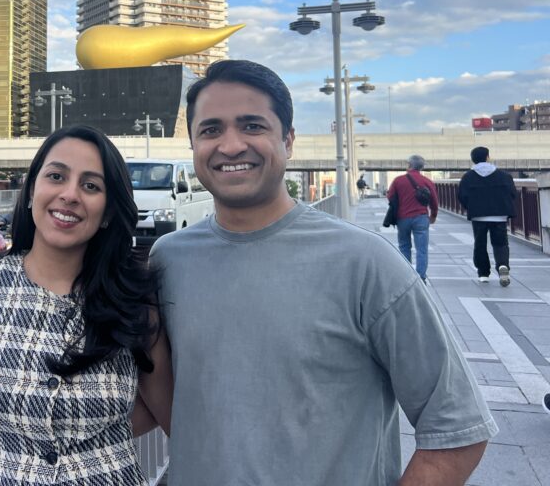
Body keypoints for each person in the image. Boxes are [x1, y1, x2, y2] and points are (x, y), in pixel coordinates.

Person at [151, 59, 495, 486]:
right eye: (210, 130)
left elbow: (457, 428)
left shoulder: (366, 263)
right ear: (193, 146)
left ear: (289, 140)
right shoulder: (167, 259)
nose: (231, 145)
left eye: (253, 126)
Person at [0, 125, 172, 485]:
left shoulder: (133, 298)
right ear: (32, 190)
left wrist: (88, 437)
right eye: (56, 176)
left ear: (108, 213)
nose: (70, 194)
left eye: (91, 186)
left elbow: (169, 413)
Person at [458, 146, 516, 286]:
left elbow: (462, 196)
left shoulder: (468, 177)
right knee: (501, 243)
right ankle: (502, 265)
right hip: (499, 216)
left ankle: (483, 273)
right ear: (487, 157)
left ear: (473, 159)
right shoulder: (503, 175)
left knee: (480, 244)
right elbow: (512, 193)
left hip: (478, 216)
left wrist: (471, 207)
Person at [388, 154, 439, 281]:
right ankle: (420, 277)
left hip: (403, 218)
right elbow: (434, 201)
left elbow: (390, 197)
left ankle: (406, 275)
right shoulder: (427, 181)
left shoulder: (398, 180)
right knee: (422, 249)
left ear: (409, 165)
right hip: (421, 218)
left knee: (404, 246)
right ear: (421, 167)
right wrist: (433, 215)